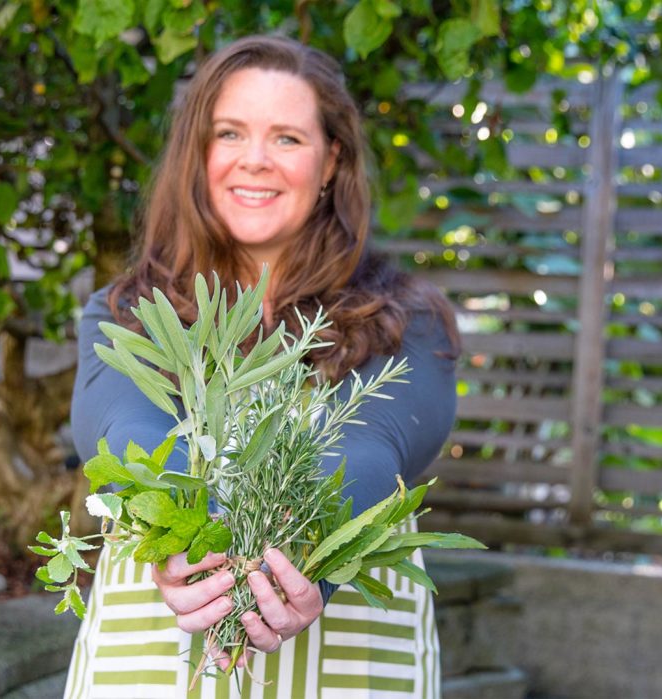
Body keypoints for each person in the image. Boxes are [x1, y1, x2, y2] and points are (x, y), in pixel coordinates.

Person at [65, 35, 458, 699]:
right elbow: (127, 432)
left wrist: (298, 566)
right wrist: (182, 541)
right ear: (199, 153)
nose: (255, 161)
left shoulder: (407, 321)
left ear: (331, 159)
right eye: (230, 133)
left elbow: (366, 449)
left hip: (351, 672)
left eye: (287, 139)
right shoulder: (125, 313)